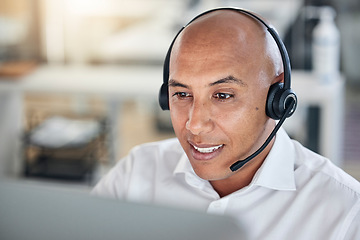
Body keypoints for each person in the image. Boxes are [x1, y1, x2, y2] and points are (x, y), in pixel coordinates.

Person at [92, 8, 360, 240]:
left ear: (276, 99)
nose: (194, 125)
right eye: (182, 94)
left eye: (223, 95)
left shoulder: (345, 211)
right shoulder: (135, 174)